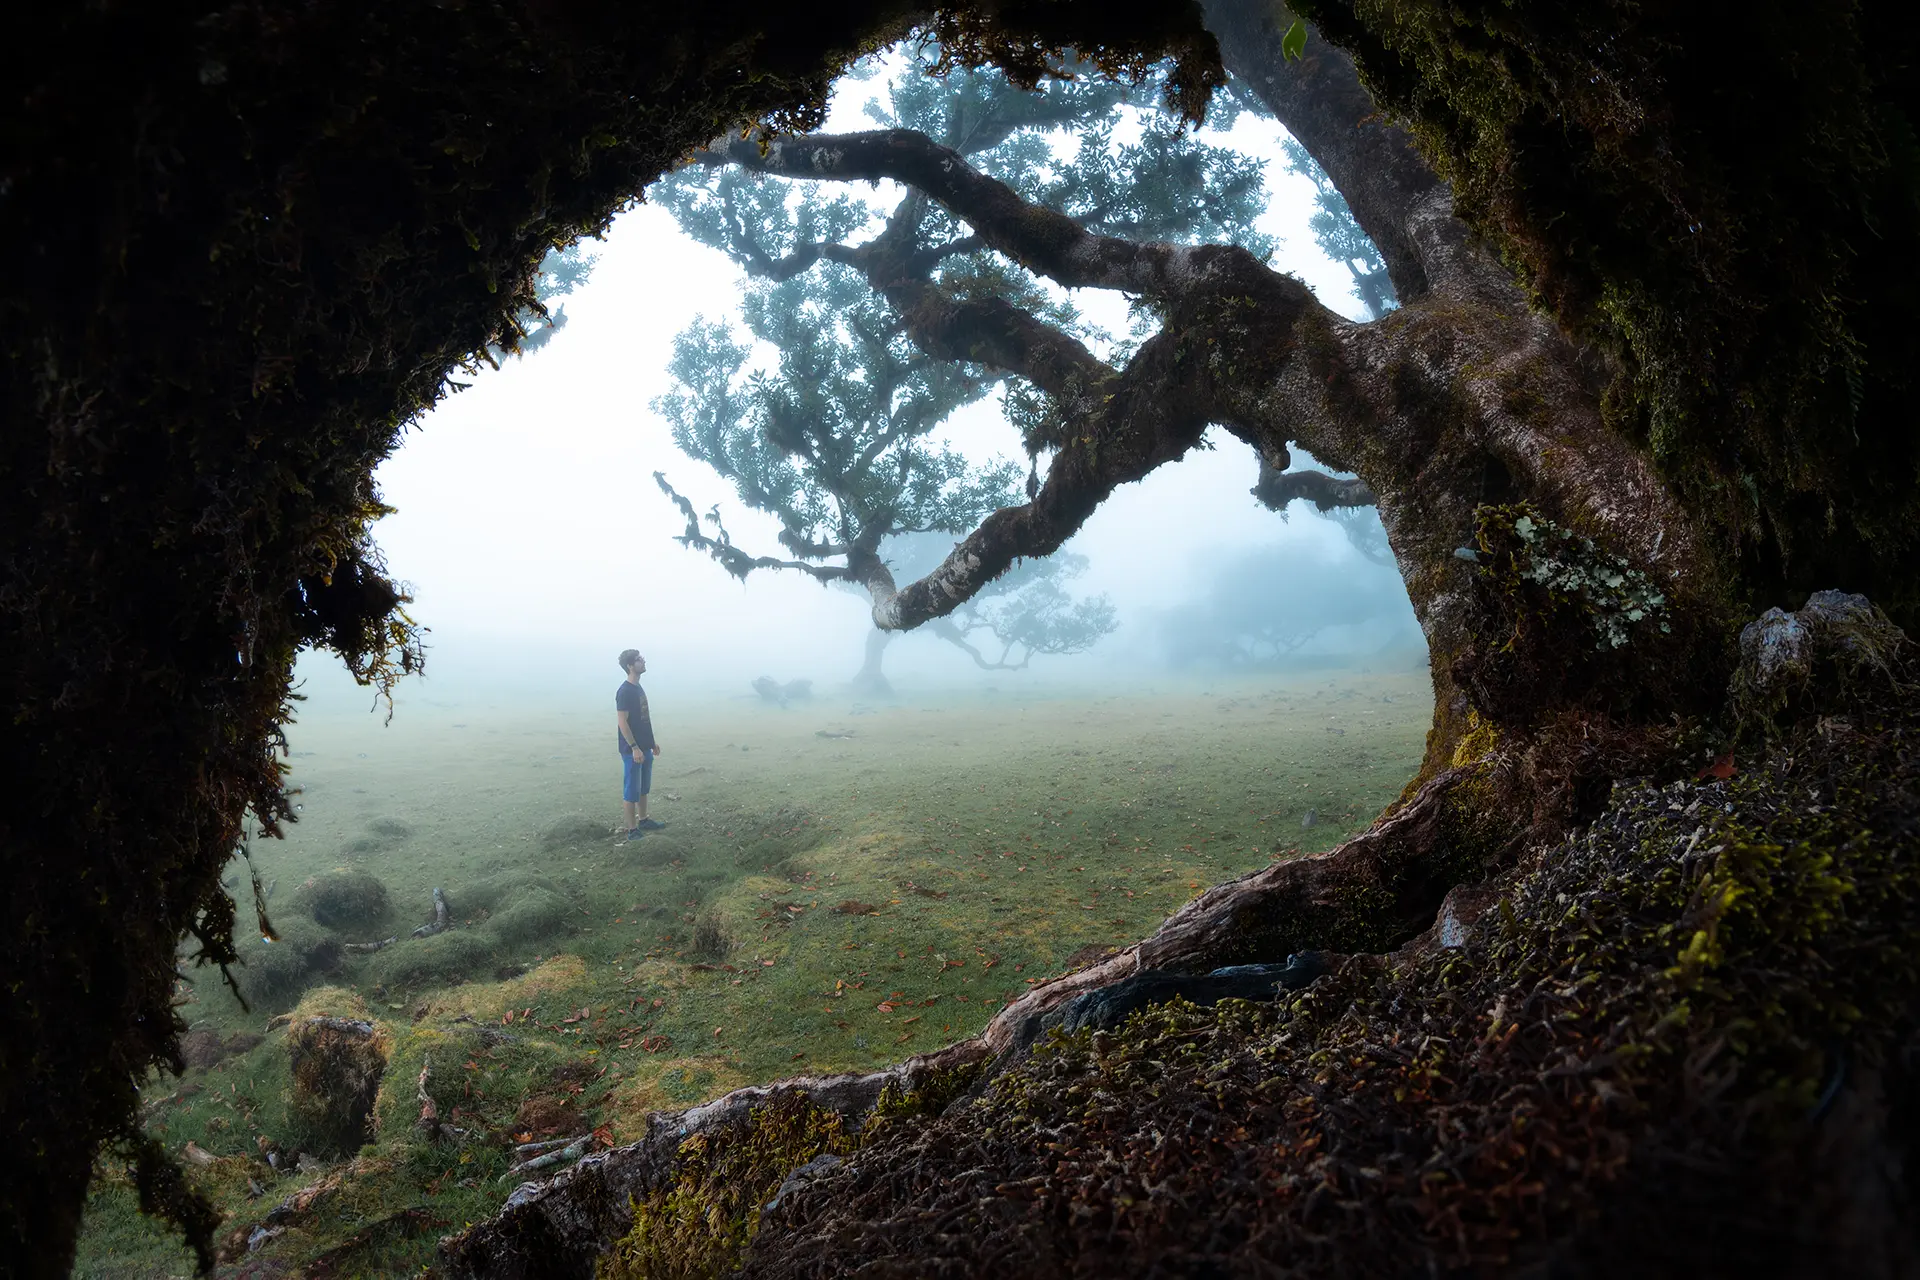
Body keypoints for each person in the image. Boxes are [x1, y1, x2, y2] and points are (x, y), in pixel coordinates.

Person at [614, 648, 665, 844]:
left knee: (644, 787)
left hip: (644, 747)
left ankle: (643, 820)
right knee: (631, 790)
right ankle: (632, 830)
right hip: (632, 750)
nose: (643, 661)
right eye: (638, 659)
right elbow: (623, 722)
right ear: (630, 666)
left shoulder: (638, 688)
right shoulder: (624, 691)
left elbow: (643, 718)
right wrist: (634, 747)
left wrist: (651, 743)